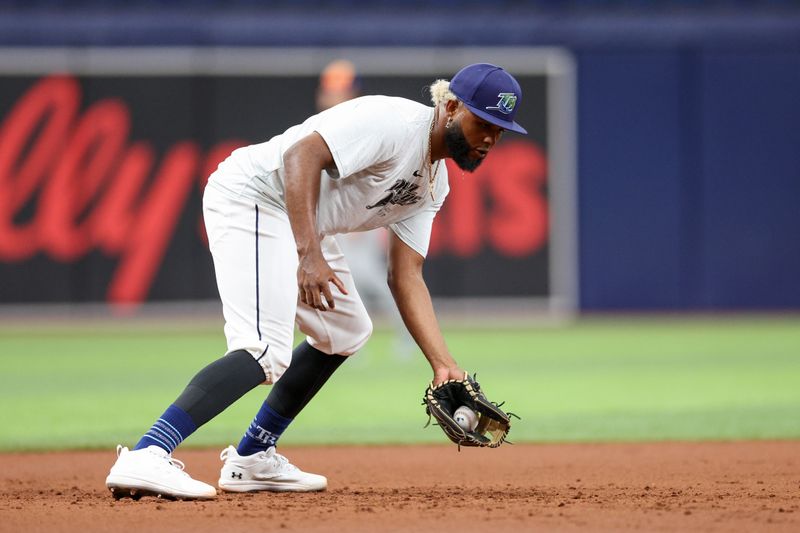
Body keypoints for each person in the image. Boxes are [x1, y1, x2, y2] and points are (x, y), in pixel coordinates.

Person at [105, 63, 527, 500]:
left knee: (346, 331)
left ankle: (252, 457)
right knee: (263, 351)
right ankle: (148, 452)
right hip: (253, 197)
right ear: (451, 106)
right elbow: (300, 155)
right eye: (484, 122)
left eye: (501, 130)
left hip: (303, 226)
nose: (490, 139)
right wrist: (309, 255)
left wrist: (442, 364)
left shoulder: (433, 187)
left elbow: (405, 275)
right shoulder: (395, 123)